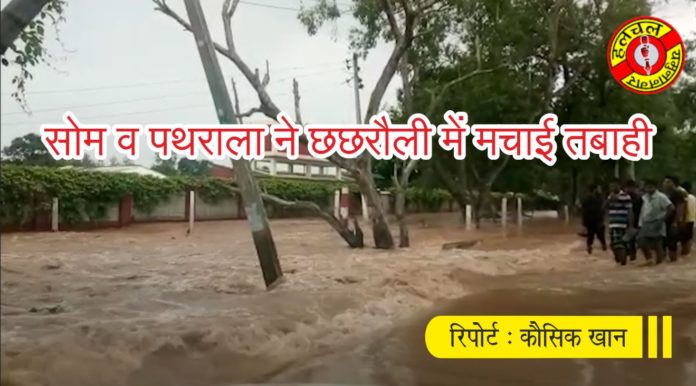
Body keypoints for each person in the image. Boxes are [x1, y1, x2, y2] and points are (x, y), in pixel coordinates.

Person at [638, 179, 672, 264]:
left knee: (657, 243)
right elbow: (643, 210)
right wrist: (640, 223)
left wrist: (662, 220)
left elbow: (671, 208)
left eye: (651, 187)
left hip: (657, 221)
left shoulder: (661, 197)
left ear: (655, 187)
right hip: (646, 222)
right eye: (647, 187)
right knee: (641, 241)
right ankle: (649, 259)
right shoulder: (644, 197)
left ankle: (659, 263)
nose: (648, 189)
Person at [605, 179, 634, 265]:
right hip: (612, 223)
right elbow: (604, 208)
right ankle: (621, 258)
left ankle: (623, 262)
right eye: (611, 186)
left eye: (614, 185)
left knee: (619, 244)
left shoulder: (625, 196)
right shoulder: (610, 196)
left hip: (622, 223)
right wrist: (610, 200)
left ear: (619, 186)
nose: (612, 187)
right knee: (613, 244)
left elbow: (630, 211)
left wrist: (631, 225)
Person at [662, 175, 687, 262]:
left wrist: (676, 221)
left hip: (673, 220)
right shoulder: (663, 194)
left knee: (672, 241)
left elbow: (681, 207)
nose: (665, 184)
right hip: (663, 220)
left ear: (673, 183)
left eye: (668, 182)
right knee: (663, 241)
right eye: (665, 182)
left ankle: (673, 259)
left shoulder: (677, 193)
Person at [581, 184, 607, 254]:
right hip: (592, 220)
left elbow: (602, 210)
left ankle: (602, 245)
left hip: (595, 220)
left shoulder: (600, 199)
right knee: (592, 235)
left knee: (598, 234)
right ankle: (591, 246)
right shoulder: (588, 200)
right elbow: (584, 212)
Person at [624, 179, 643, 261]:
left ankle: (633, 255)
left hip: (636, 220)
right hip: (624, 221)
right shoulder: (623, 197)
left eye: (630, 187)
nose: (628, 189)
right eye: (627, 188)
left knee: (635, 240)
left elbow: (642, 210)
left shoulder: (639, 198)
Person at [679, 181, 695, 256]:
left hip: (686, 220)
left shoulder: (685, 198)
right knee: (688, 239)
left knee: (685, 240)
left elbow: (685, 209)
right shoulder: (693, 197)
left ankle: (685, 254)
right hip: (692, 220)